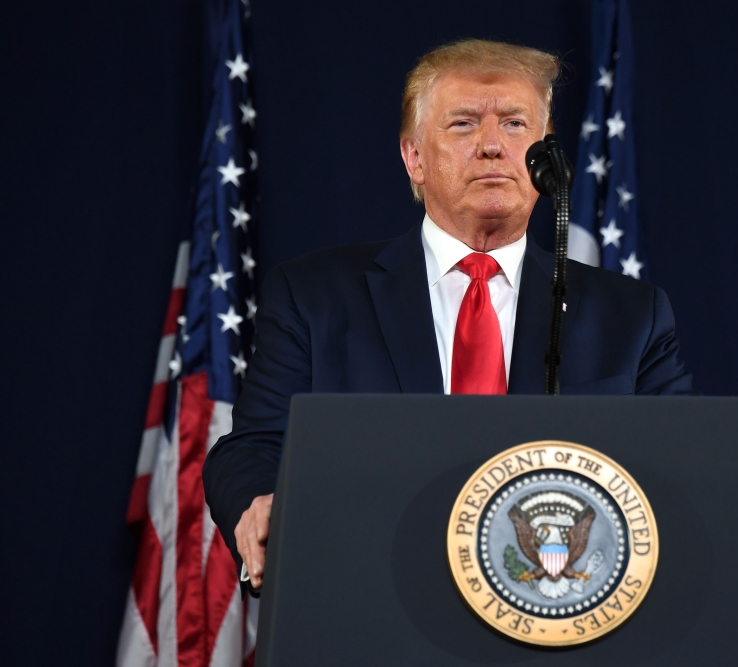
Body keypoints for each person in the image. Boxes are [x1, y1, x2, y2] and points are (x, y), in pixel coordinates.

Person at [203, 39, 693, 593]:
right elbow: (252, 448)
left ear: (546, 153)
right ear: (414, 157)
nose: (491, 146)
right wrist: (260, 504)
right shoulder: (314, 296)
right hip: (371, 592)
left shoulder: (631, 317)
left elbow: (675, 473)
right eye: (463, 124)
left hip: (559, 608)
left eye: (514, 124)